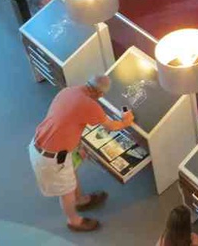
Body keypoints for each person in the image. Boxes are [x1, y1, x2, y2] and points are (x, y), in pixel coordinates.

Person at [29, 75, 134, 232]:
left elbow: (66, 121)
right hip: (52, 158)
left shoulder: (67, 92)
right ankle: (74, 221)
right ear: (100, 94)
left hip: (41, 143)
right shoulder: (90, 106)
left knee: (71, 171)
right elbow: (111, 126)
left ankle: (80, 200)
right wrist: (126, 121)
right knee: (66, 192)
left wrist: (78, 146)